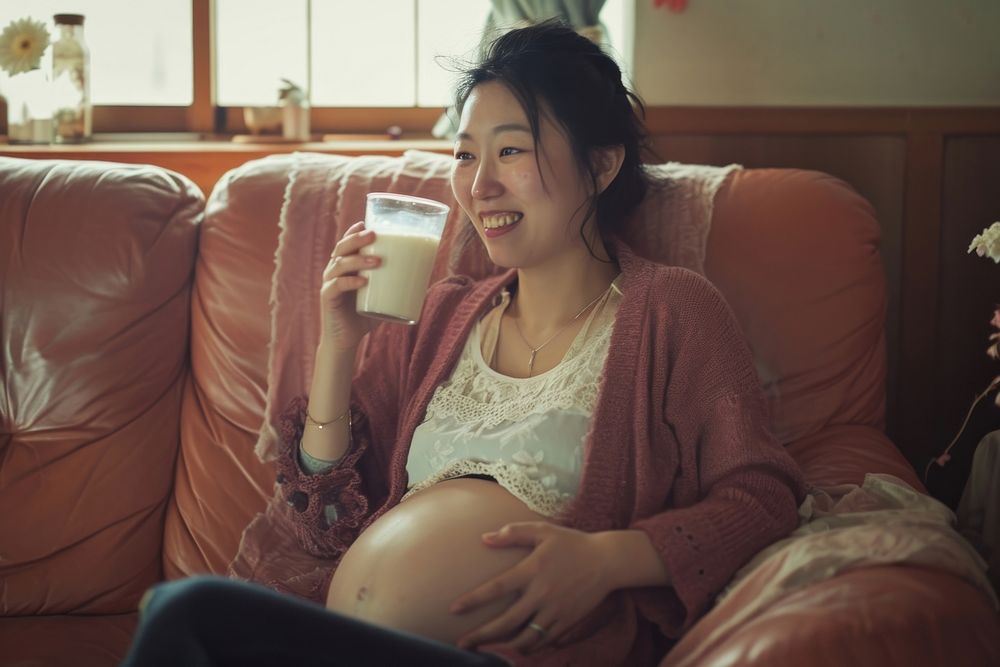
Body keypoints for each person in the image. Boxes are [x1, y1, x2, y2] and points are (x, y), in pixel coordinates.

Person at [121, 19, 805, 667]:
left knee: (186, 613)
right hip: (351, 640)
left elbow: (761, 496)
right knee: (185, 619)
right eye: (465, 154)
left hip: (511, 654)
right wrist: (338, 346)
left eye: (511, 150)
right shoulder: (442, 317)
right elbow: (324, 521)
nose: (480, 185)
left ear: (599, 167)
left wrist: (609, 559)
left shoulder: (672, 311)